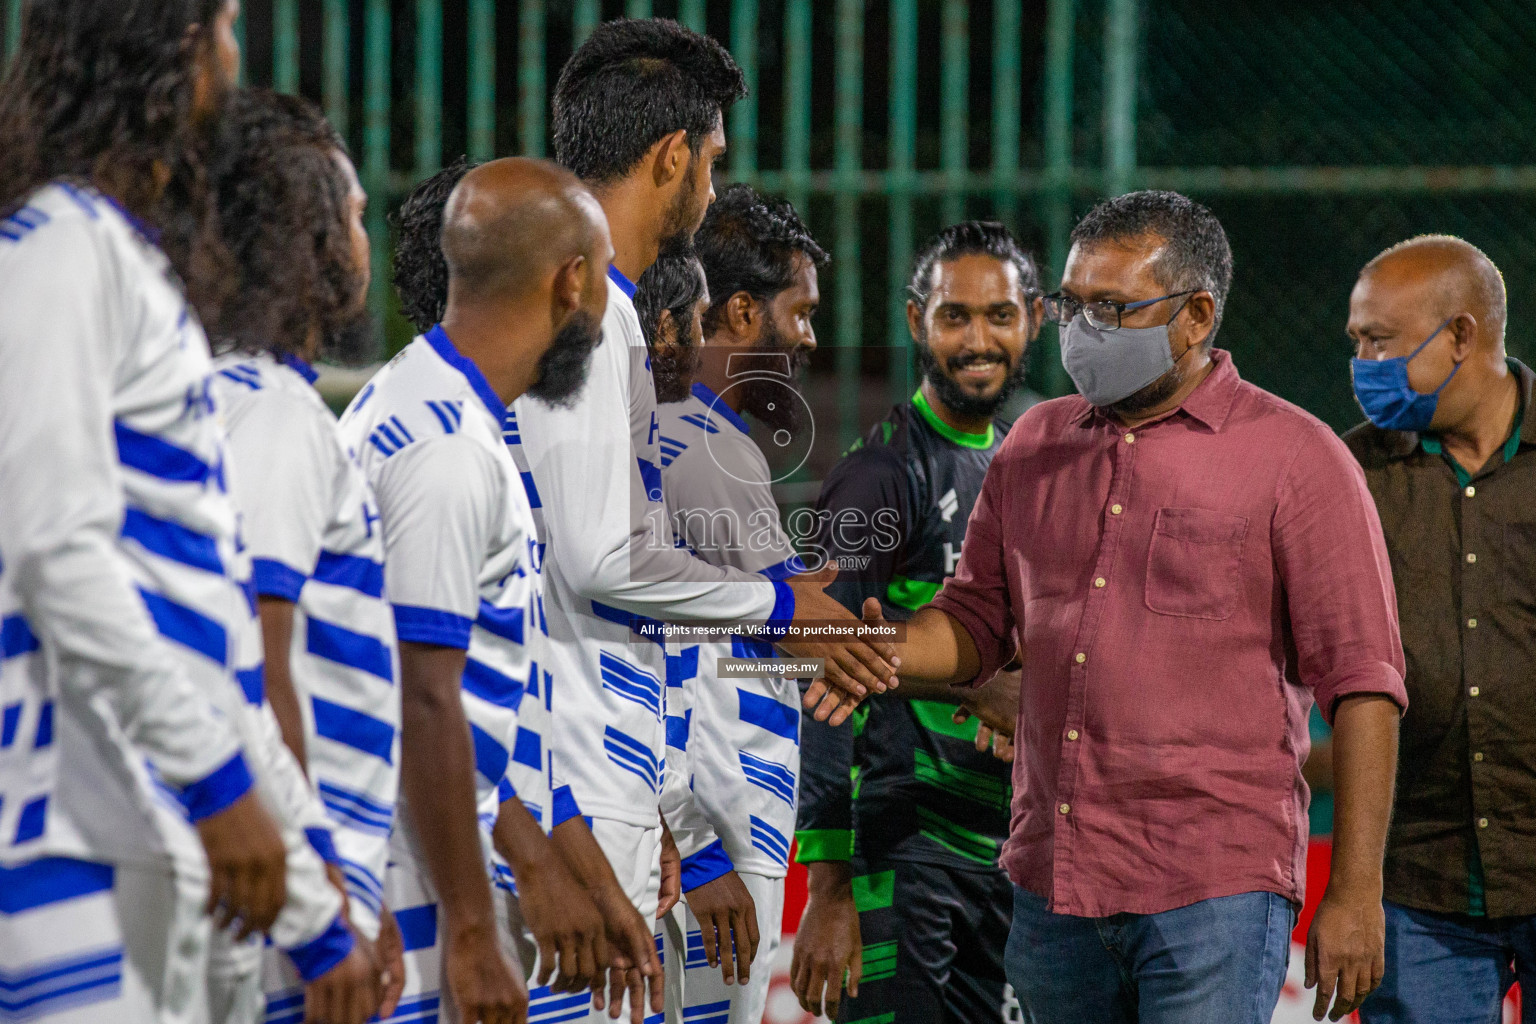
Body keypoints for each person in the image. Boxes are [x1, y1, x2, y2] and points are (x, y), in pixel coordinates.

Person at [393, 21, 895, 1020]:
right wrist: (773, 605)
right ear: (673, 158)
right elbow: (601, 563)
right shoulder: (588, 315)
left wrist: (665, 817)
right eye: (711, 160)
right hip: (553, 803)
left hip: (575, 795)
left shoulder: (570, 314)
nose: (711, 185)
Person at [837, 190, 1408, 1024]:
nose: (1081, 328)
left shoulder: (1297, 458)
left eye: (1111, 307)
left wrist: (1356, 890)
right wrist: (870, 646)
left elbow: (1363, 686)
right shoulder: (1033, 444)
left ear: (1195, 314)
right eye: (1072, 304)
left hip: (1213, 891)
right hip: (1052, 886)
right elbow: (973, 626)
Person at [0, 3, 302, 1020]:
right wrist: (219, 782)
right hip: (66, 828)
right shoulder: (60, 250)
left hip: (136, 816)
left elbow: (197, 605)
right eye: (220, 24)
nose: (233, 52)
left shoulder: (112, 258)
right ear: (166, 52)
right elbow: (51, 546)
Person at [342, 158, 634, 1024]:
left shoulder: (419, 403)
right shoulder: (448, 452)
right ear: (572, 281)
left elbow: (484, 697)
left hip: (427, 873)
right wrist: (474, 928)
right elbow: (425, 699)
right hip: (419, 894)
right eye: (607, 275)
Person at [792, 221, 1039, 1023]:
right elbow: (816, 662)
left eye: (999, 316)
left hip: (1001, 859)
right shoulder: (879, 475)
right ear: (914, 322)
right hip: (902, 855)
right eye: (954, 316)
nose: (978, 340)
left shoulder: (1019, 463)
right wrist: (828, 890)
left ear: (1032, 318)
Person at [206, 88, 407, 1022]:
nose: (367, 238)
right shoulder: (277, 417)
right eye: (356, 214)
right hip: (290, 902)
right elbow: (260, 662)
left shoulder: (235, 394)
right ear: (310, 238)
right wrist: (324, 900)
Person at [646, 184, 828, 1024]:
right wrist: (974, 680)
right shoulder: (708, 448)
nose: (810, 338)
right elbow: (804, 635)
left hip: (686, 807)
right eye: (801, 313)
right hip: (717, 812)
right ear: (744, 311)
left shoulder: (668, 424)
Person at [1342, 236, 1536, 1023]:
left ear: (1462, 335)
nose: (1361, 364)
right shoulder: (1347, 474)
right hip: (1417, 878)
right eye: (1355, 341)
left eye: (1379, 341)